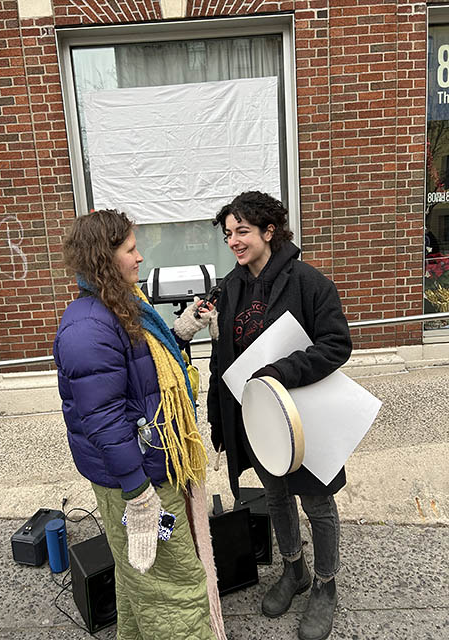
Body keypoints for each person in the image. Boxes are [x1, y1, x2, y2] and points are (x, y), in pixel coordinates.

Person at [53, 209, 224, 640]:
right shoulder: (88, 327)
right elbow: (104, 420)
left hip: (149, 468)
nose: (140, 257)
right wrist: (139, 494)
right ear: (104, 258)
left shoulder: (121, 304)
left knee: (141, 580)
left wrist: (182, 330)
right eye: (130, 249)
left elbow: (143, 368)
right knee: (177, 586)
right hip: (139, 481)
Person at [207, 191, 352, 640]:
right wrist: (218, 417)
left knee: (317, 501)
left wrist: (281, 370)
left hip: (305, 414)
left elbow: (336, 344)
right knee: (275, 496)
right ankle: (294, 570)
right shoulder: (230, 288)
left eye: (242, 231)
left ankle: (325, 585)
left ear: (269, 231)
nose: (233, 241)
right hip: (258, 417)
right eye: (228, 234)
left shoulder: (309, 282)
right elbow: (221, 358)